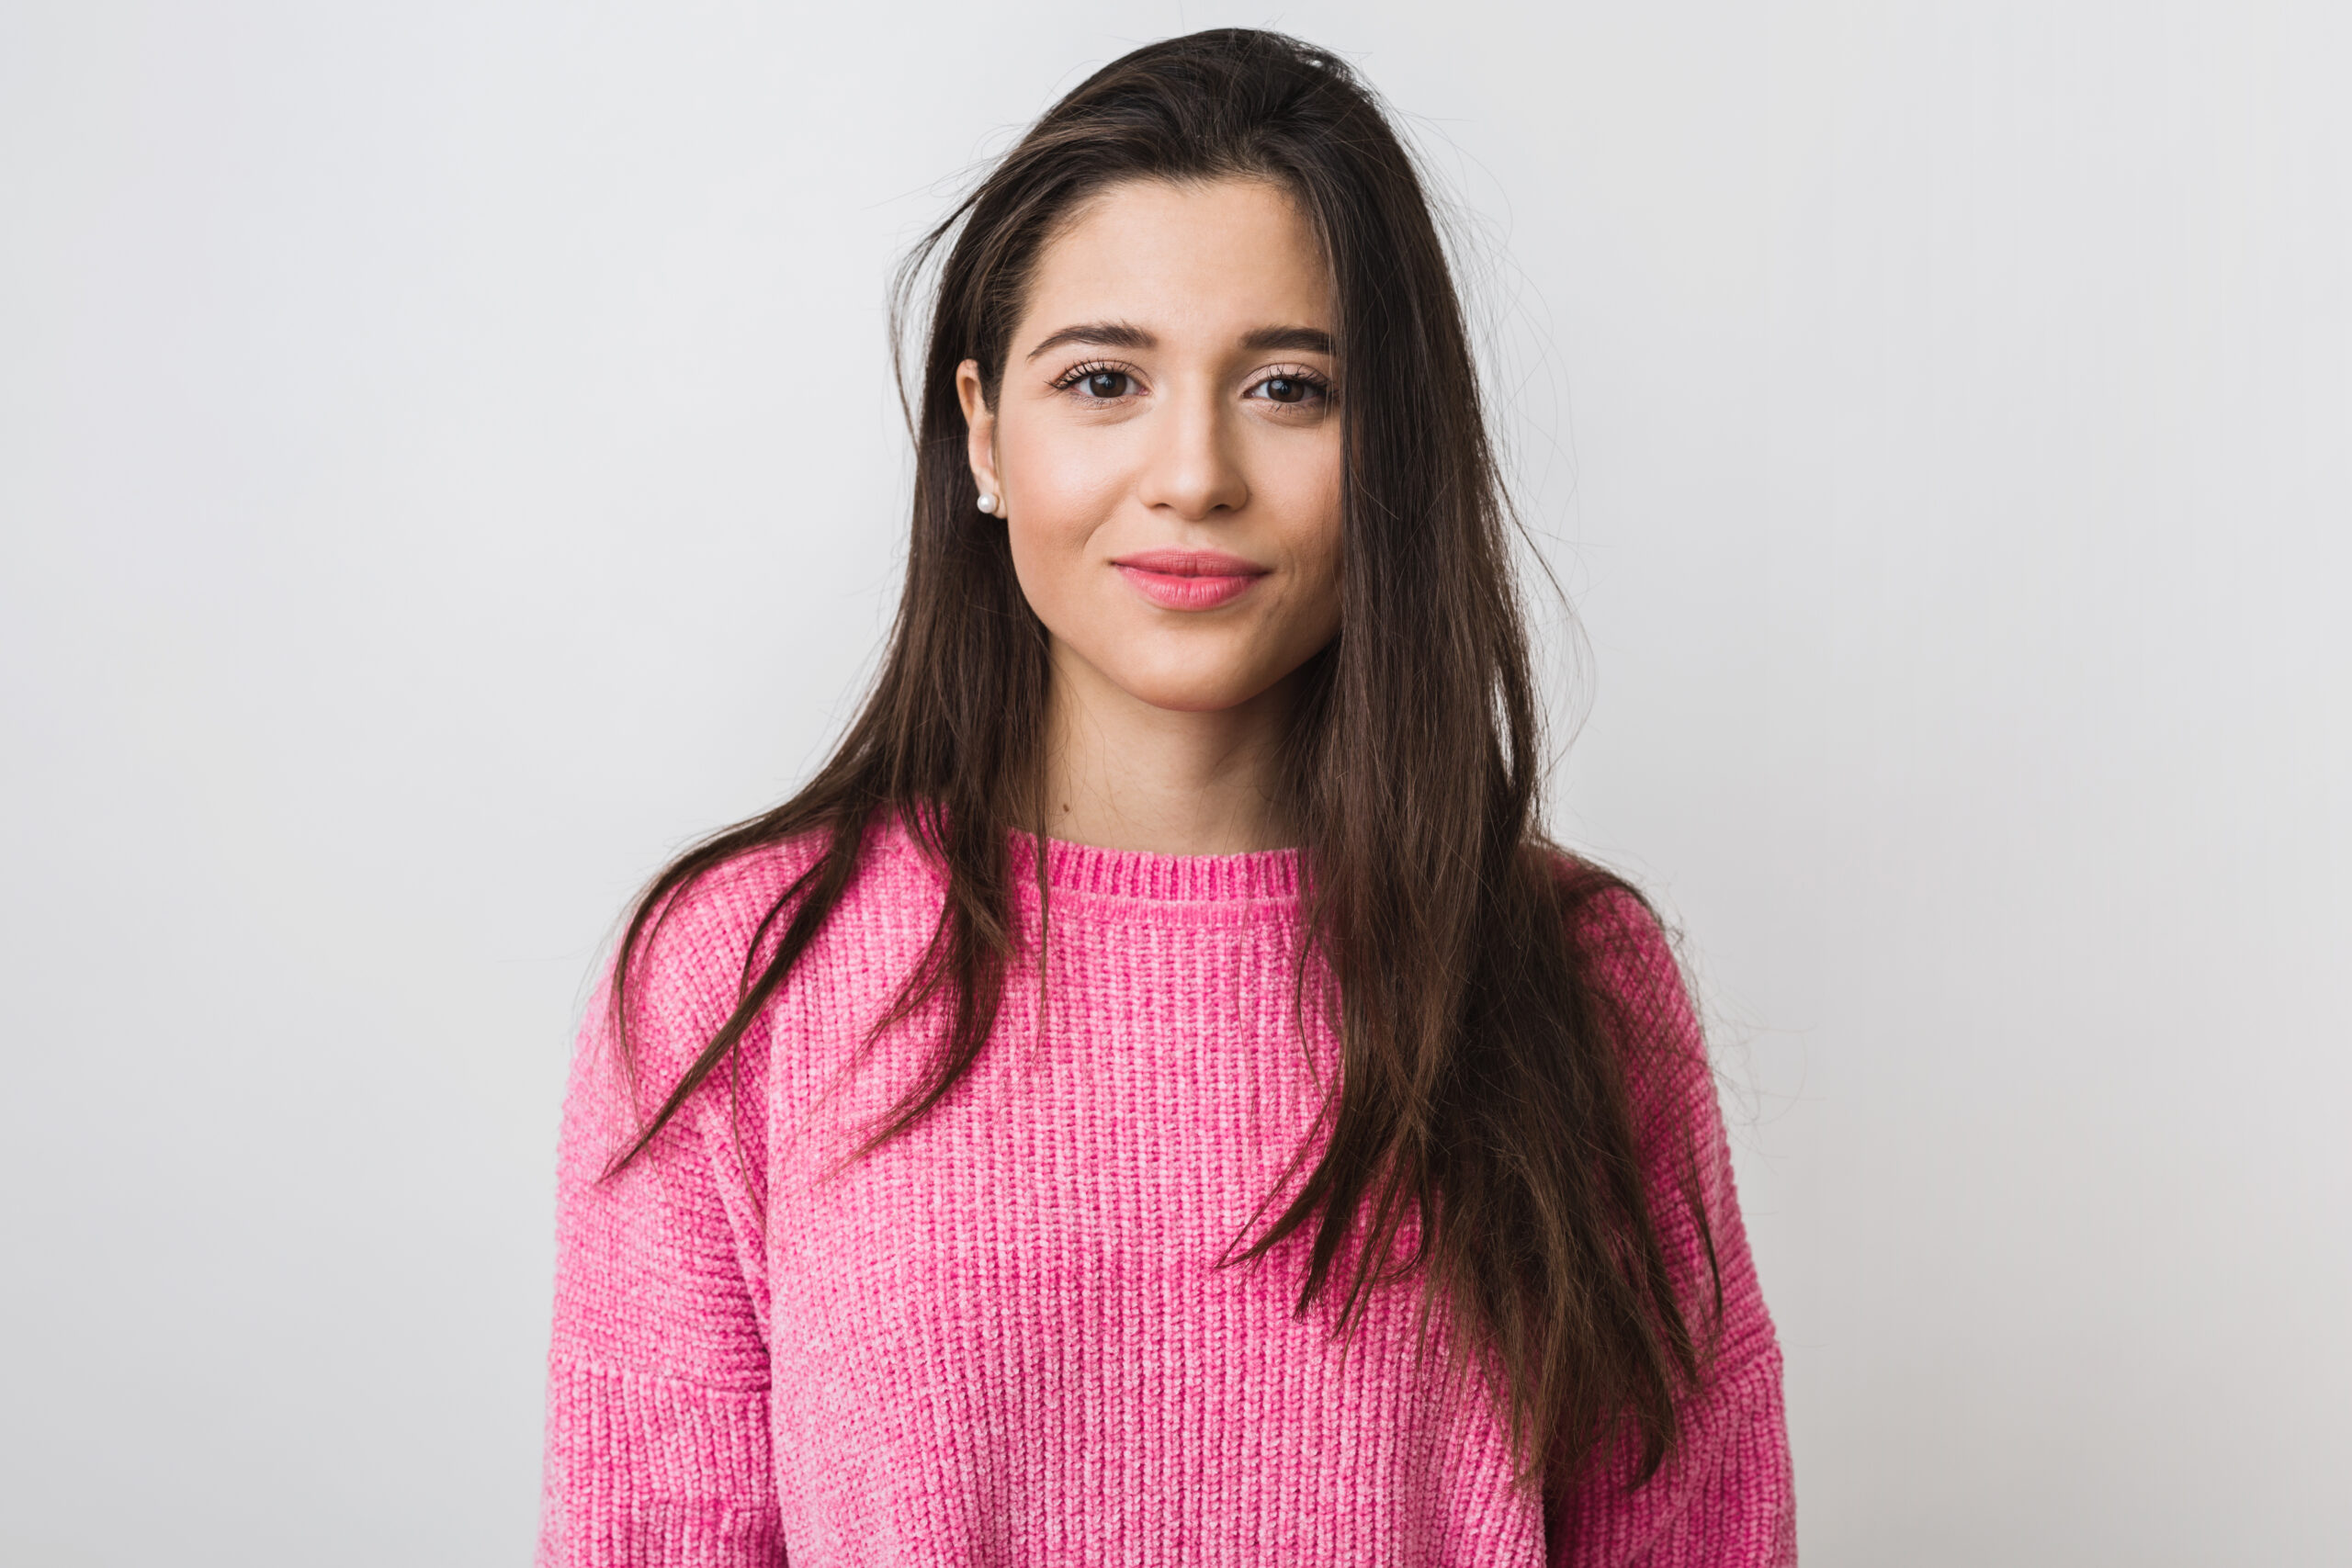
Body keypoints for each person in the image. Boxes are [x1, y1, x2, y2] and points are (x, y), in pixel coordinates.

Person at [537, 28, 1793, 1566]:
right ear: (987, 435)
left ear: (1392, 446)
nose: (1193, 472)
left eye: (1287, 386)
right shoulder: (738, 980)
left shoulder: (1573, 982)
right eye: (1105, 380)